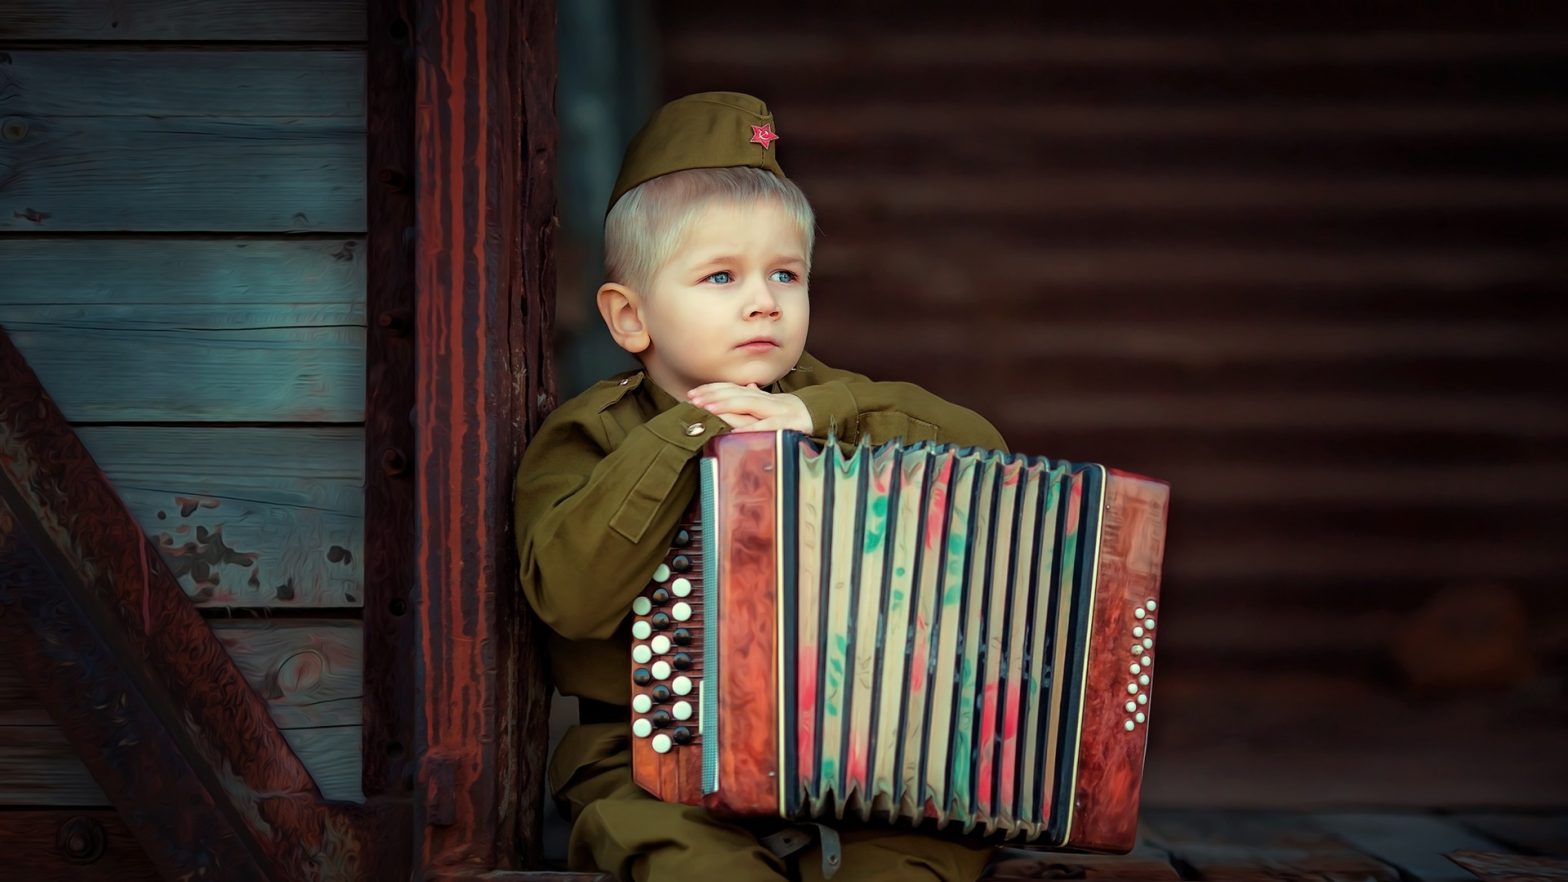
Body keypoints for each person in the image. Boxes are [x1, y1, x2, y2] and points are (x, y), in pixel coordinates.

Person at [514, 91, 1005, 882]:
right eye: (719, 276)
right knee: (693, 868)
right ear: (629, 317)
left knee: (923, 863)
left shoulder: (828, 402)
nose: (762, 301)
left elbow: (985, 452)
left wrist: (809, 414)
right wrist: (696, 428)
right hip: (655, 767)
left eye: (786, 273)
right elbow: (570, 597)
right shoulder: (589, 437)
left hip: (859, 764)